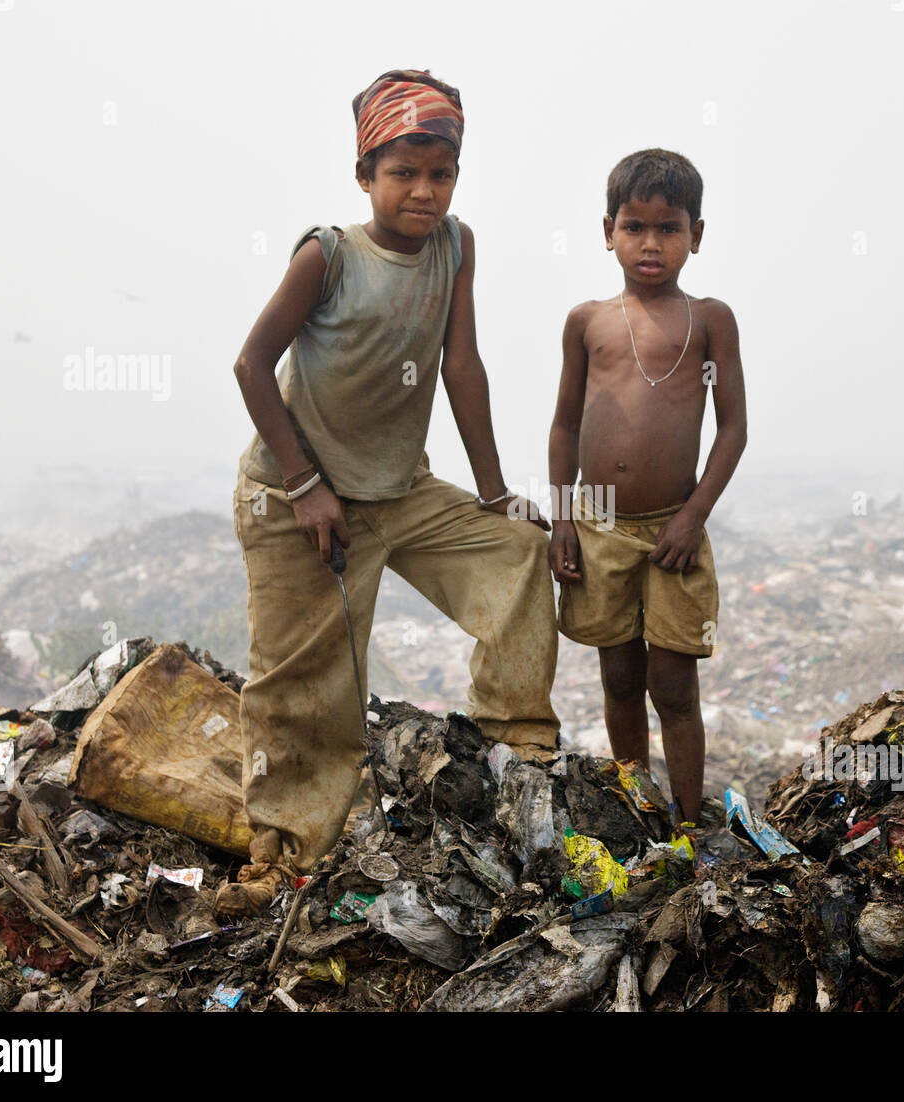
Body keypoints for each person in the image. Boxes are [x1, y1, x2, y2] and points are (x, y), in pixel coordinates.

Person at [217, 69, 559, 916]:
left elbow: (461, 365)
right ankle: (283, 855)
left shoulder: (454, 245)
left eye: (439, 173)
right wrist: (303, 483)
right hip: (298, 497)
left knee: (518, 553)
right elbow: (251, 365)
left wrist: (493, 492)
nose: (423, 190)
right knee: (307, 690)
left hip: (399, 490)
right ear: (365, 174)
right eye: (402, 172)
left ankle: (512, 752)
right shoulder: (328, 255)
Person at [548, 149, 747, 829]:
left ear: (696, 233)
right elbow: (565, 425)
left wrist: (693, 516)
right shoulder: (587, 321)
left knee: (674, 683)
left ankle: (690, 823)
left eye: (669, 227)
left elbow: (734, 430)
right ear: (608, 231)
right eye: (635, 227)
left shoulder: (711, 319)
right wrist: (562, 519)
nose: (651, 243)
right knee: (620, 678)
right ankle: (641, 813)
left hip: (673, 528)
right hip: (599, 524)